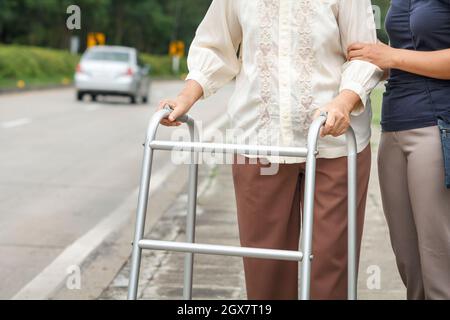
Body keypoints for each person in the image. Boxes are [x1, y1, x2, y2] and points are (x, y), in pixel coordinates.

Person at [159, 0, 383, 300]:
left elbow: (366, 54)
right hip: (259, 141)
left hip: (334, 144)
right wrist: (187, 96)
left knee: (331, 269)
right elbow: (215, 44)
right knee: (265, 273)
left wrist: (344, 100)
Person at [348, 0, 450, 300]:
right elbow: (403, 58)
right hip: (393, 128)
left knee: (439, 263)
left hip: (436, 124)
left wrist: (391, 55)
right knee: (409, 262)